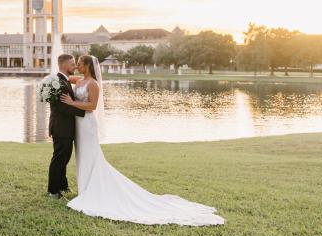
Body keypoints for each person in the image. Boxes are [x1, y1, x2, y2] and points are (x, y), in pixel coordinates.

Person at [59, 55, 225, 226]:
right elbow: (64, 77)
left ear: (87, 65)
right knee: (82, 156)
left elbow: (92, 106)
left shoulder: (93, 84)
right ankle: (85, 188)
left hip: (87, 125)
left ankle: (92, 189)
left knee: (91, 155)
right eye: (76, 63)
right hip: (78, 126)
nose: (77, 65)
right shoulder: (79, 81)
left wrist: (72, 103)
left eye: (79, 63)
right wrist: (55, 80)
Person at [47, 54, 85, 199]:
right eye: (73, 64)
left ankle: (63, 185)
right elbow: (64, 108)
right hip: (61, 128)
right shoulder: (59, 83)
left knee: (64, 158)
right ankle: (53, 191)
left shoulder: (64, 80)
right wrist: (85, 110)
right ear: (64, 65)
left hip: (64, 127)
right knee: (59, 159)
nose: (75, 66)